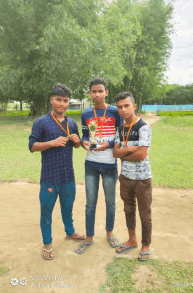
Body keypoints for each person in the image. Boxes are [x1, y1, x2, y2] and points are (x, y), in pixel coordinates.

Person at [29, 83, 85, 260]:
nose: (62, 104)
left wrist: (77, 141)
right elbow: (32, 146)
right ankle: (47, 242)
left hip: (68, 175)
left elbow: (77, 145)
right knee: (46, 211)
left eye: (66, 101)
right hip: (49, 177)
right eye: (59, 100)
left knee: (67, 208)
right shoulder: (41, 122)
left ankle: (70, 232)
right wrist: (51, 143)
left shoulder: (71, 123)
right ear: (51, 100)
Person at [75, 78, 122, 254]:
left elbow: (119, 136)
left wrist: (107, 145)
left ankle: (109, 232)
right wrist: (84, 143)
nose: (97, 94)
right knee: (90, 202)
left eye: (100, 91)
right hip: (91, 164)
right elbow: (85, 135)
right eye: (94, 91)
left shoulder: (114, 112)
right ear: (90, 93)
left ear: (106, 93)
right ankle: (89, 236)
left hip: (110, 164)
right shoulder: (86, 113)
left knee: (110, 202)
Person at [113, 91, 152, 261]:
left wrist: (122, 153)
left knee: (144, 213)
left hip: (142, 179)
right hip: (125, 177)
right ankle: (132, 239)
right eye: (120, 107)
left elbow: (142, 155)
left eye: (126, 106)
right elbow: (115, 152)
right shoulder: (120, 129)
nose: (123, 110)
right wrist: (128, 150)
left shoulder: (143, 126)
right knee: (128, 210)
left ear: (134, 106)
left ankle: (146, 245)